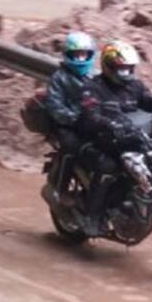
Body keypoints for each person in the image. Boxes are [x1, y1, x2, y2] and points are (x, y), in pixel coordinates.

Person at [76, 40, 152, 234]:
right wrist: (109, 124)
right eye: (122, 69)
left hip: (132, 139)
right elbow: (90, 114)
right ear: (109, 66)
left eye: (129, 69)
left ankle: (149, 204)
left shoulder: (134, 86)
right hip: (102, 141)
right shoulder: (93, 87)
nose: (126, 73)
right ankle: (92, 217)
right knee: (108, 168)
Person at [43, 31, 97, 198]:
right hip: (67, 126)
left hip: (92, 123)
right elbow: (55, 106)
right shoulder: (59, 78)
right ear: (68, 55)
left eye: (84, 55)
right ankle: (61, 189)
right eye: (77, 55)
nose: (81, 59)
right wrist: (75, 118)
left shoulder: (95, 77)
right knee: (72, 148)